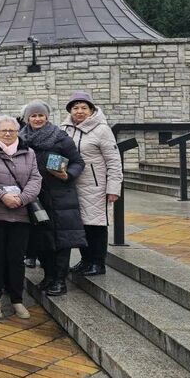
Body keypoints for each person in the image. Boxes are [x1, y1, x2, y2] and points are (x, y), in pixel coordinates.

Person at [0, 116, 42, 320]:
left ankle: (17, 299)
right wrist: (2, 196)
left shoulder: (28, 152)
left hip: (20, 215)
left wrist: (21, 199)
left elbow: (36, 179)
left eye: (11, 130)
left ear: (17, 131)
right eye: (2, 130)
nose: (7, 133)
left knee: (16, 259)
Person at [20, 101, 86, 296]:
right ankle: (48, 277)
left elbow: (78, 162)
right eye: (33, 115)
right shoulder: (22, 139)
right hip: (36, 196)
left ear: (47, 117)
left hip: (60, 196)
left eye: (41, 115)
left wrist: (68, 175)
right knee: (42, 239)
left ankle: (59, 280)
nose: (37, 118)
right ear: (27, 119)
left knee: (61, 239)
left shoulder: (60, 137)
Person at [62, 91, 123, 276]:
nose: (79, 111)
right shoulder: (64, 129)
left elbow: (113, 160)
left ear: (91, 109)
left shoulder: (102, 130)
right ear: (70, 110)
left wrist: (114, 188)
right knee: (80, 225)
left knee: (96, 225)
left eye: (83, 108)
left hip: (96, 186)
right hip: (72, 184)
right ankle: (85, 260)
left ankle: (98, 262)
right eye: (75, 108)